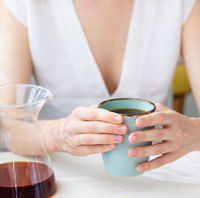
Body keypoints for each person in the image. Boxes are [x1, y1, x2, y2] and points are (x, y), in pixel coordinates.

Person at [0, 0, 200, 173]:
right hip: (59, 179)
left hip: (160, 178)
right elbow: (6, 127)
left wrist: (192, 132)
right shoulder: (21, 4)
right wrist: (58, 134)